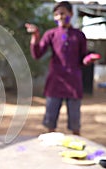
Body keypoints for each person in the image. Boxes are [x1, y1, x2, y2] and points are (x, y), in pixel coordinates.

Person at [25, 1, 100, 135]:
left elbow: (83, 58)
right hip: (55, 82)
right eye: (57, 14)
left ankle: (76, 147)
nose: (59, 16)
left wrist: (89, 59)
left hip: (73, 83)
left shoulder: (79, 35)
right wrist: (35, 36)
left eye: (63, 13)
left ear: (70, 14)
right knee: (50, 122)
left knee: (75, 124)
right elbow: (37, 54)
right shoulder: (51, 34)